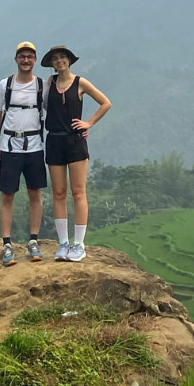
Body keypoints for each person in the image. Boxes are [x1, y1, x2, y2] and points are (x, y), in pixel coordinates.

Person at [41, 45, 111, 262]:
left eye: (63, 57)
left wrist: (88, 123)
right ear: (52, 63)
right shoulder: (49, 84)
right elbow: (42, 106)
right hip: (54, 140)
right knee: (59, 193)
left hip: (75, 141)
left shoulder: (80, 82)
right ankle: (63, 243)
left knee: (78, 192)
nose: (59, 61)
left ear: (69, 61)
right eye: (55, 58)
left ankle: (79, 243)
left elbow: (105, 103)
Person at [0, 41, 47, 267]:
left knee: (35, 193)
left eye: (29, 56)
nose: (25, 60)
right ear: (16, 59)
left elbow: (56, 111)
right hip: (9, 146)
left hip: (34, 146)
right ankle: (7, 244)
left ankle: (33, 240)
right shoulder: (6, 85)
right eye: (22, 56)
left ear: (34, 60)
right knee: (7, 195)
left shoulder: (42, 86)